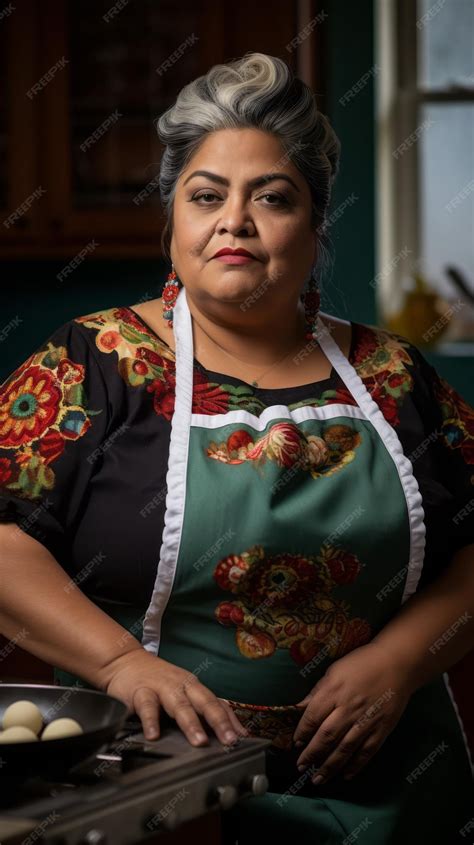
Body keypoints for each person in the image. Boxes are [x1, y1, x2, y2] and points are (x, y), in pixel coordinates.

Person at [0, 51, 473, 843]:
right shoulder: (94, 364)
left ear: (317, 226)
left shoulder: (393, 376)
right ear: (175, 221)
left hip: (396, 798)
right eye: (206, 196)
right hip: (160, 794)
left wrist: (400, 661)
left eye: (274, 198)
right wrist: (121, 664)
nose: (234, 222)